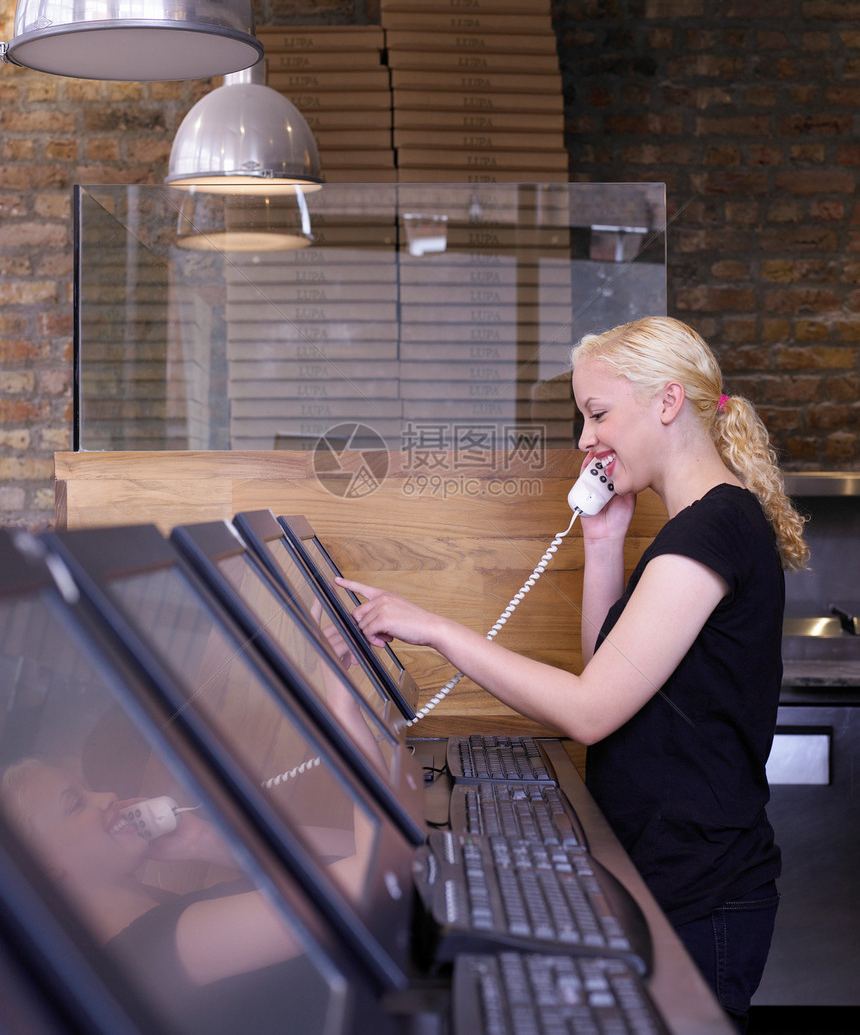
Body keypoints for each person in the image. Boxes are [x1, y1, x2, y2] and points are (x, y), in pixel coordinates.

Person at [338, 316, 808, 1033]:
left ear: (667, 402)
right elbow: (612, 673)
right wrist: (604, 541)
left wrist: (435, 628)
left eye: (597, 413)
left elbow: (589, 711)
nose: (586, 440)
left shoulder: (709, 532)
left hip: (699, 890)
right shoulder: (703, 524)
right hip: (676, 872)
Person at [0, 756, 350, 1034]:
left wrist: (206, 841)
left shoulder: (170, 923)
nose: (106, 798)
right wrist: (346, 720)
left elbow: (353, 861)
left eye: (87, 789)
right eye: (75, 803)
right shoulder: (152, 952)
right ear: (43, 870)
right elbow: (360, 886)